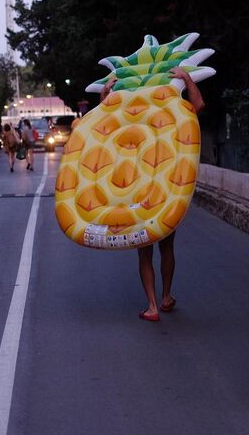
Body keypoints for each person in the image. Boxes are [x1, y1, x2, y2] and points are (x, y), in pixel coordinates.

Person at [100, 68, 205, 322]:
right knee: (167, 245)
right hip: (165, 188)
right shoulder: (173, 115)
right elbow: (199, 104)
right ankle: (166, 296)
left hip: (135, 187)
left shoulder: (128, 121)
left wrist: (105, 93)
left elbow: (102, 125)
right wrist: (187, 79)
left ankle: (152, 306)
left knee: (144, 250)